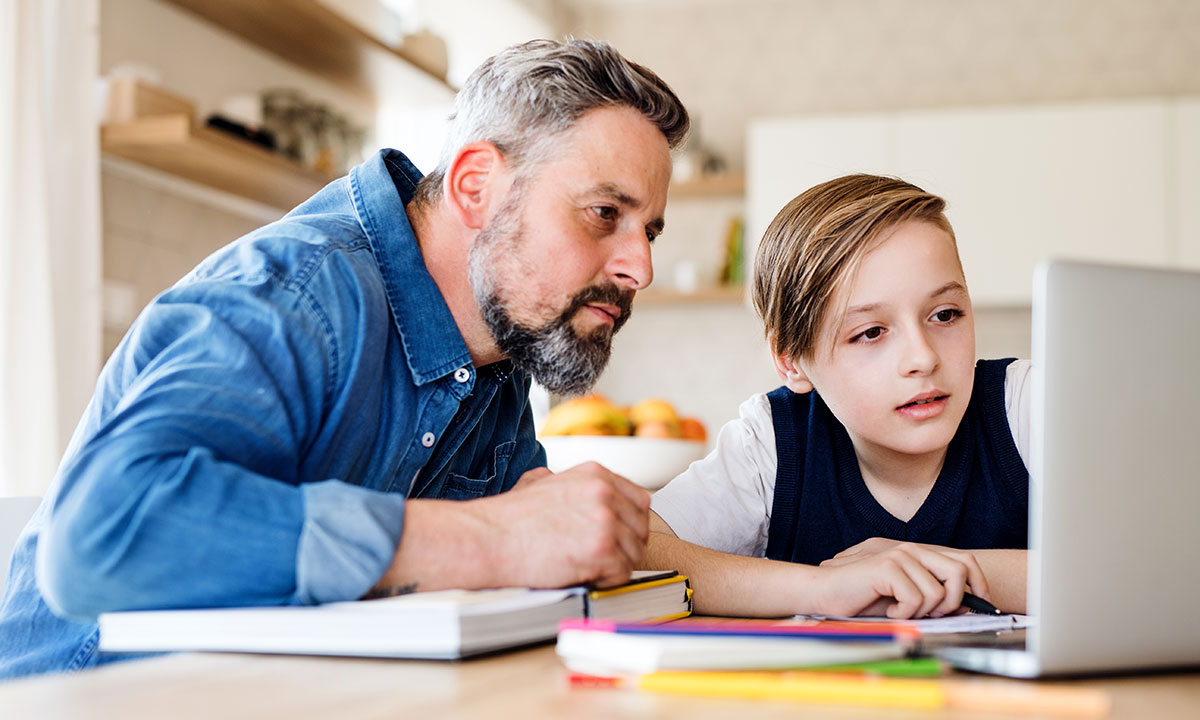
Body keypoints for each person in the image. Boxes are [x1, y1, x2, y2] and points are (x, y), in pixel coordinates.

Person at [0, 39, 690, 679]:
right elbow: (97, 538)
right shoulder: (294, 292)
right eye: (605, 213)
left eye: (649, 231)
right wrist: (485, 539)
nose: (641, 267)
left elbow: (545, 546)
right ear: (476, 186)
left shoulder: (498, 350)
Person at [644, 174, 1030, 620]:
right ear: (791, 360)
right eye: (870, 333)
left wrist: (937, 570)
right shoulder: (773, 443)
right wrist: (821, 588)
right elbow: (642, 549)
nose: (923, 358)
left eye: (945, 315)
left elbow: (1129, 564)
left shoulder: (1024, 405)